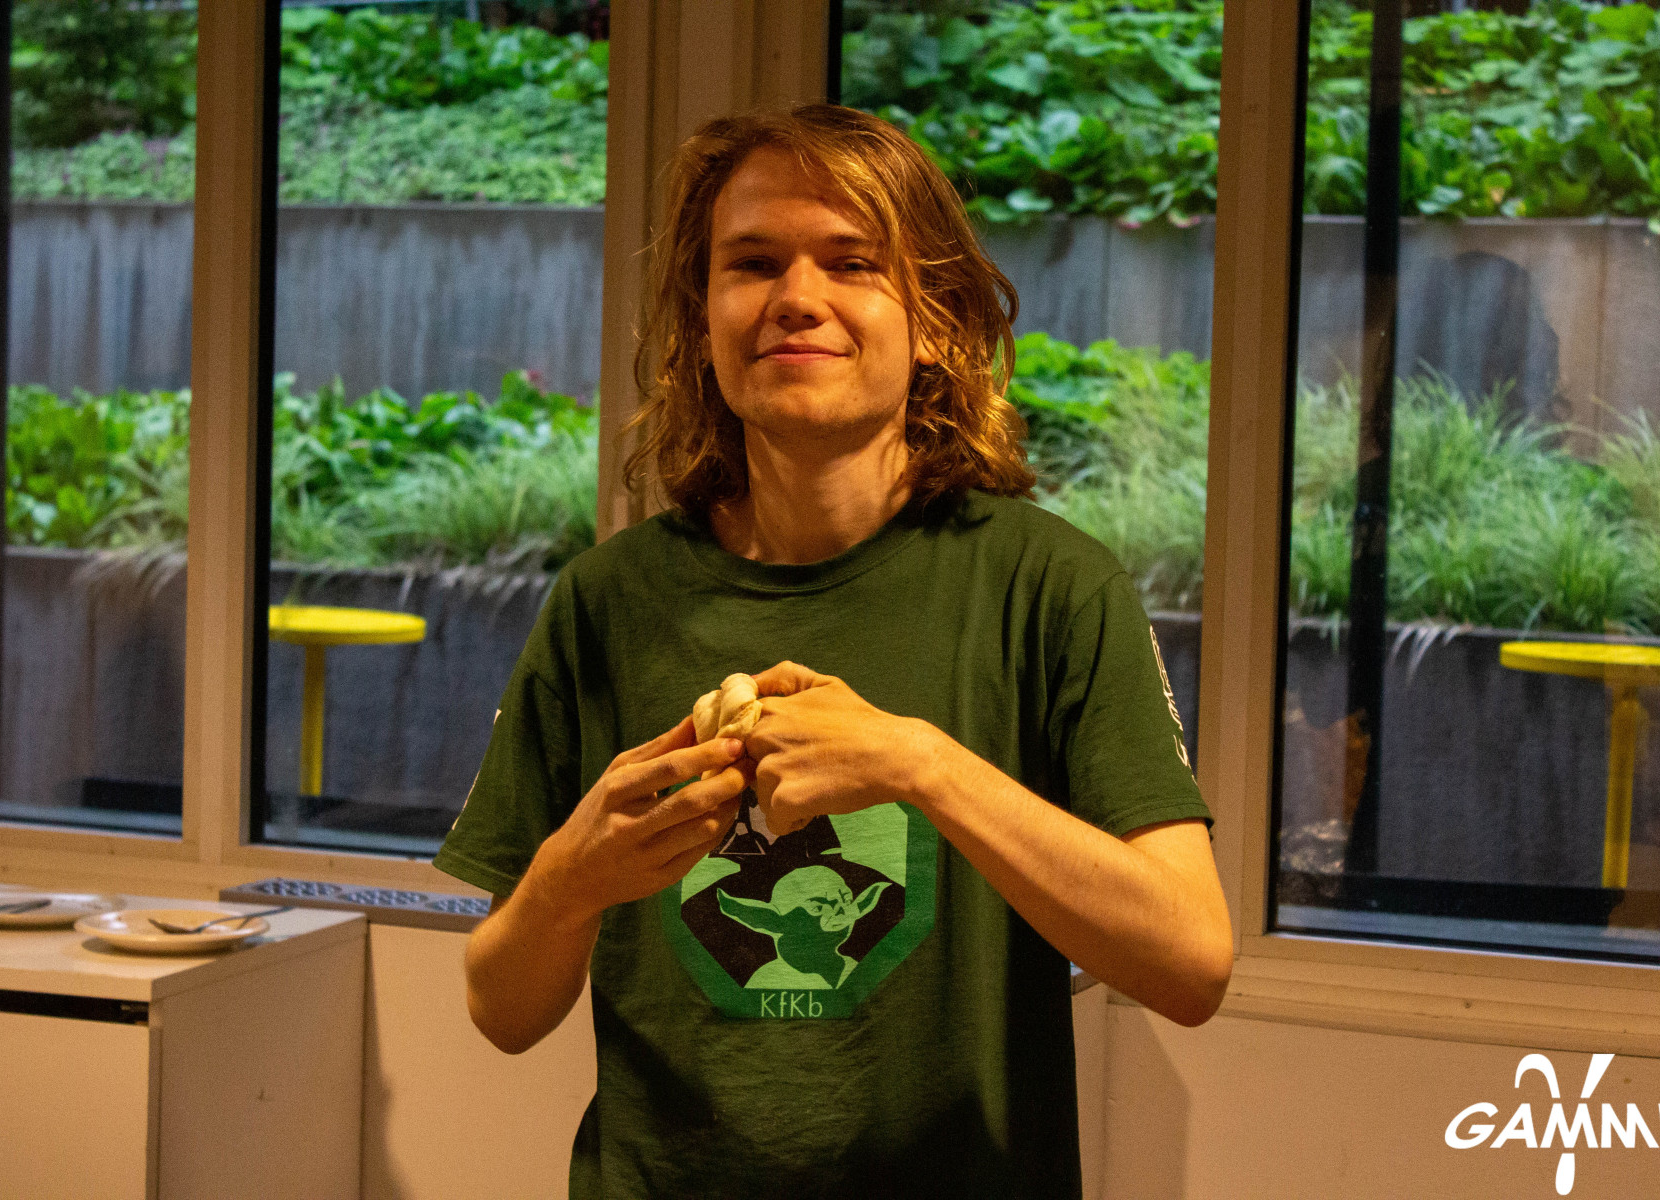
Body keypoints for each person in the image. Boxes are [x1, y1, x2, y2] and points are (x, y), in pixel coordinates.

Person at [435, 103, 1232, 1199]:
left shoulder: (1050, 588)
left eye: (852, 263)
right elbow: (501, 1010)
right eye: (752, 263)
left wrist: (920, 765)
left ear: (935, 320)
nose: (796, 297)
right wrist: (570, 880)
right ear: (702, 320)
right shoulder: (606, 602)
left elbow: (1191, 963)